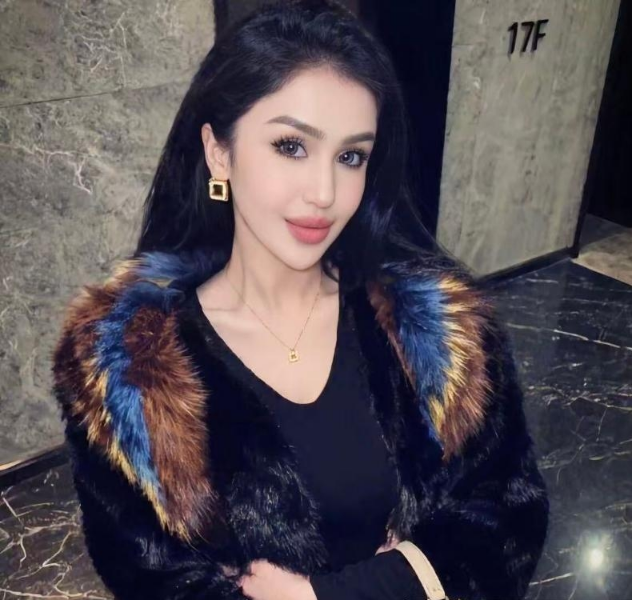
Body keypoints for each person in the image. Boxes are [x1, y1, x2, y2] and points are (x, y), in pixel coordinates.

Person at [50, 1, 549, 599]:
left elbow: (509, 515)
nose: (324, 192)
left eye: (351, 156)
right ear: (219, 152)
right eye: (291, 146)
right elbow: (149, 578)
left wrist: (329, 594)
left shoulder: (442, 335)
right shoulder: (124, 372)